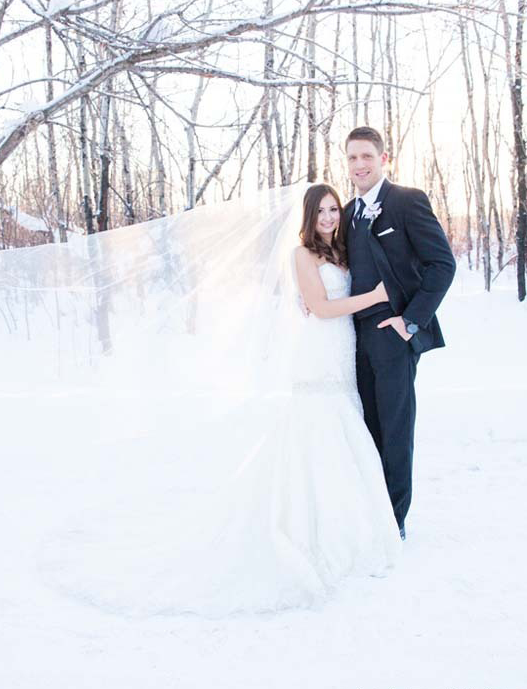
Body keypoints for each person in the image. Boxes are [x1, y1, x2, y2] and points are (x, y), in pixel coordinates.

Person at [39, 181, 403, 617]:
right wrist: (376, 296)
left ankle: (349, 527)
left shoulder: (341, 252)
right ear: (308, 217)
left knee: (343, 427)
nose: (328, 217)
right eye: (321, 211)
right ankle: (307, 530)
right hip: (318, 352)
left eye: (333, 209)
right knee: (316, 429)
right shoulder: (301, 255)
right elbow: (321, 307)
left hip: (342, 349)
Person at [343, 126, 456, 540]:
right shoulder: (348, 213)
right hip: (352, 340)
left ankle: (394, 522)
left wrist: (410, 322)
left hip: (393, 336)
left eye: (367, 156)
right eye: (353, 158)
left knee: (394, 429)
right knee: (365, 427)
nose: (360, 165)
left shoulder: (407, 202)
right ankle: (370, 509)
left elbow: (443, 265)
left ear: (383, 158)